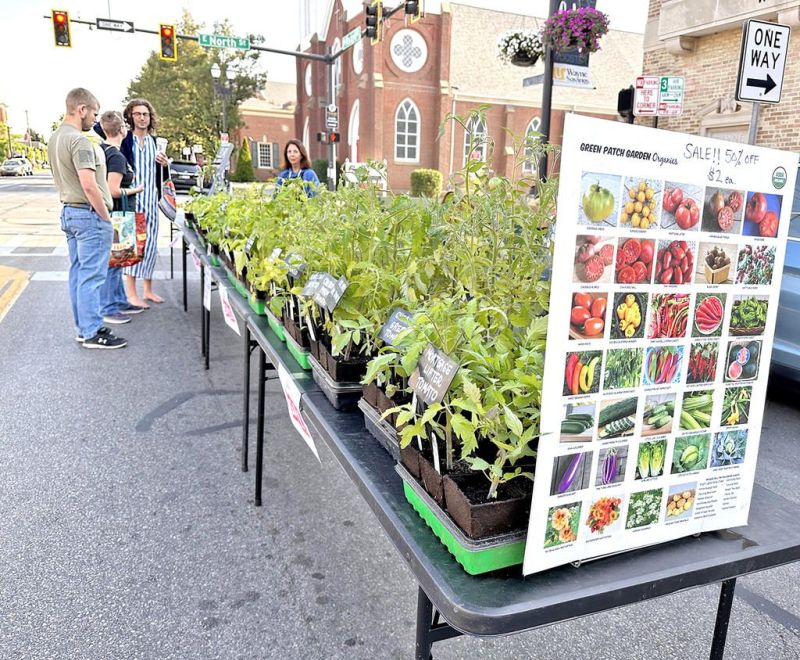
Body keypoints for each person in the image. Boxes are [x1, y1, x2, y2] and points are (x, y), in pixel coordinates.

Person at [48, 88, 127, 349]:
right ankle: (93, 331)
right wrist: (104, 217)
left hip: (70, 212)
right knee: (92, 277)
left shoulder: (55, 138)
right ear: (81, 109)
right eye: (93, 113)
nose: (95, 120)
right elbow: (89, 184)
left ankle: (84, 328)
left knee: (79, 274)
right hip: (88, 214)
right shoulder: (79, 141)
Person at [97, 110, 145, 323]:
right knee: (115, 261)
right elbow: (113, 189)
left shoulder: (102, 150)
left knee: (117, 260)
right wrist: (136, 189)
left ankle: (118, 300)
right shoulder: (115, 155)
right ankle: (109, 306)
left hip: (111, 212)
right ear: (122, 130)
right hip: (118, 213)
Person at [120, 98, 169, 308]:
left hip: (151, 201)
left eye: (145, 114)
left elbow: (162, 175)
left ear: (150, 118)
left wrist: (165, 165)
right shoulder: (126, 141)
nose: (142, 118)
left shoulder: (156, 142)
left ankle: (148, 290)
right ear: (130, 116)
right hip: (132, 201)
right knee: (132, 246)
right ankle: (131, 294)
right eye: (137, 114)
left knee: (150, 246)